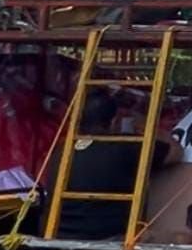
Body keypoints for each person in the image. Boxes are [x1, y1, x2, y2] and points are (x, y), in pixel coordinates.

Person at [54, 89, 181, 240]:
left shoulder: (60, 151)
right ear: (115, 120)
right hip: (110, 240)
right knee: (183, 239)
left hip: (59, 238)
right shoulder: (126, 146)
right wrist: (148, 126)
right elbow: (176, 152)